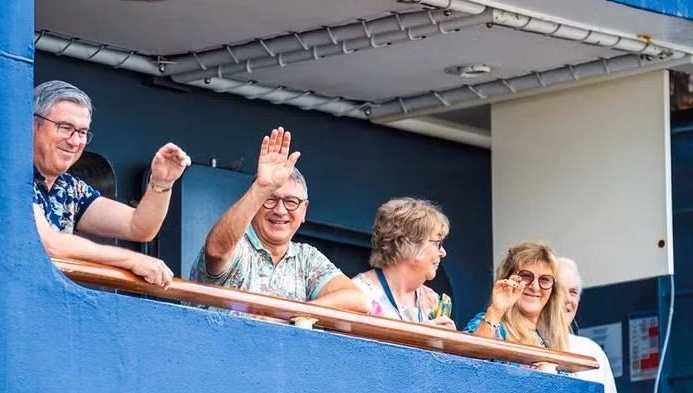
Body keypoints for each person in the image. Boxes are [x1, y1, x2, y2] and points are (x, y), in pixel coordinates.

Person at [191, 127, 368, 313]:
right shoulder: (239, 245)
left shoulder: (306, 258)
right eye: (270, 199)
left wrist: (293, 314)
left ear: (304, 210)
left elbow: (357, 301)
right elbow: (216, 249)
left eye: (291, 202)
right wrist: (262, 188)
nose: (280, 211)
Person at [32, 80, 190, 288]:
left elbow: (139, 227)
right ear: (33, 126)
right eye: (65, 127)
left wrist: (162, 182)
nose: (74, 141)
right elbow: (48, 243)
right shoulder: (11, 176)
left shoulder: (70, 188)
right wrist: (131, 260)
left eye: (82, 132)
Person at [352, 198, 455, 329]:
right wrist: (421, 334)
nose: (443, 253)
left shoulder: (432, 300)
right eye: (438, 243)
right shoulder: (359, 294)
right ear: (408, 244)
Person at [559, 257, 625, 393]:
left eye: (573, 292)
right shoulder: (523, 343)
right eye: (559, 290)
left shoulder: (590, 351)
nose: (568, 299)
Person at [465, 241, 567, 351]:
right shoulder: (492, 324)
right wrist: (495, 312)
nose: (535, 287)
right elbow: (468, 358)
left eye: (545, 279)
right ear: (507, 279)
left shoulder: (553, 336)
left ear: (553, 289)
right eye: (526, 276)